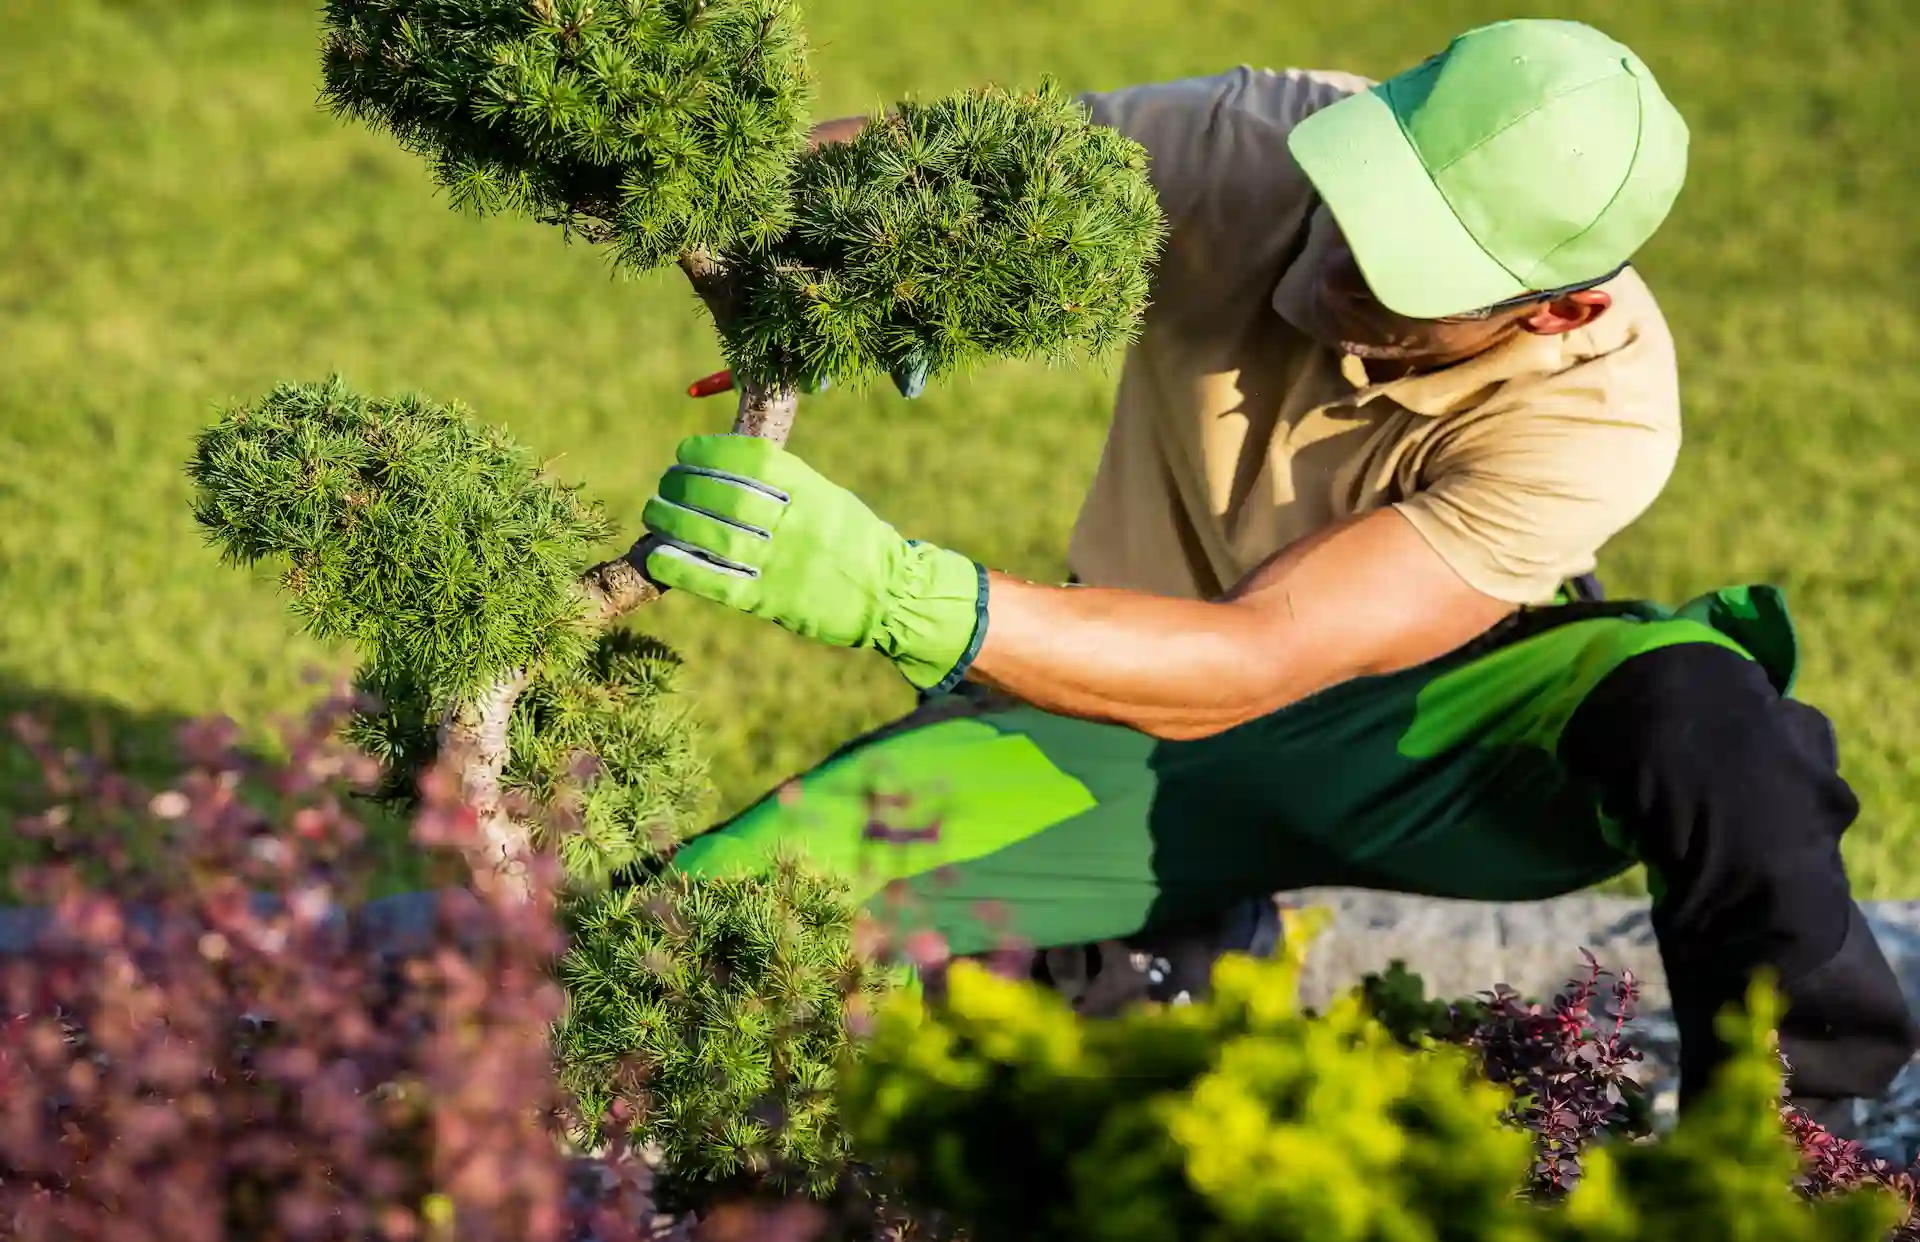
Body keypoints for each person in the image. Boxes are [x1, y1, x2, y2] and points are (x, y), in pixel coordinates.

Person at [636, 18, 1919, 1112]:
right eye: (1363, 210)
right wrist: (875, 240)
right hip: (1121, 702)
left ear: (1560, 308)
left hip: (1441, 747)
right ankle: (1176, 956)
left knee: (1709, 716)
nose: (1345, 265)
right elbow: (911, 166)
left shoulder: (1603, 414)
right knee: (712, 925)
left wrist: (896, 593)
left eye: (1411, 272)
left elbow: (1262, 657)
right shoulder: (1263, 137)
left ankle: (1792, 1142)